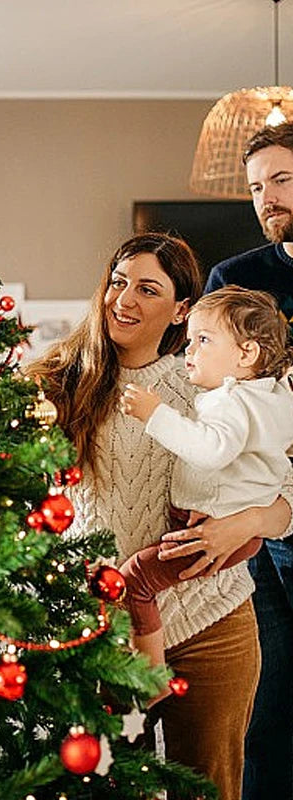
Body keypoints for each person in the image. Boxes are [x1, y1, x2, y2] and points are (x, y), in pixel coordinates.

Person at [24, 232, 293, 800]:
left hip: (212, 618)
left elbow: (285, 489)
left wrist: (244, 524)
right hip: (105, 625)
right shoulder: (57, 382)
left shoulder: (211, 385)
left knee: (210, 787)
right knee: (113, 787)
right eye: (118, 283)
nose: (125, 299)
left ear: (181, 309)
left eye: (148, 288)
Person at [179, 121, 293, 800]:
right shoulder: (236, 279)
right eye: (255, 187)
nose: (265, 198)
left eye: (281, 179)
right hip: (254, 528)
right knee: (265, 707)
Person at [117, 286, 293, 705]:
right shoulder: (272, 396)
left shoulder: (230, 399)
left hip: (207, 530)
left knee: (135, 580)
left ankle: (152, 677)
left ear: (245, 354)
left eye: (203, 341)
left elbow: (212, 450)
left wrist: (154, 414)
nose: (189, 351)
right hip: (232, 529)